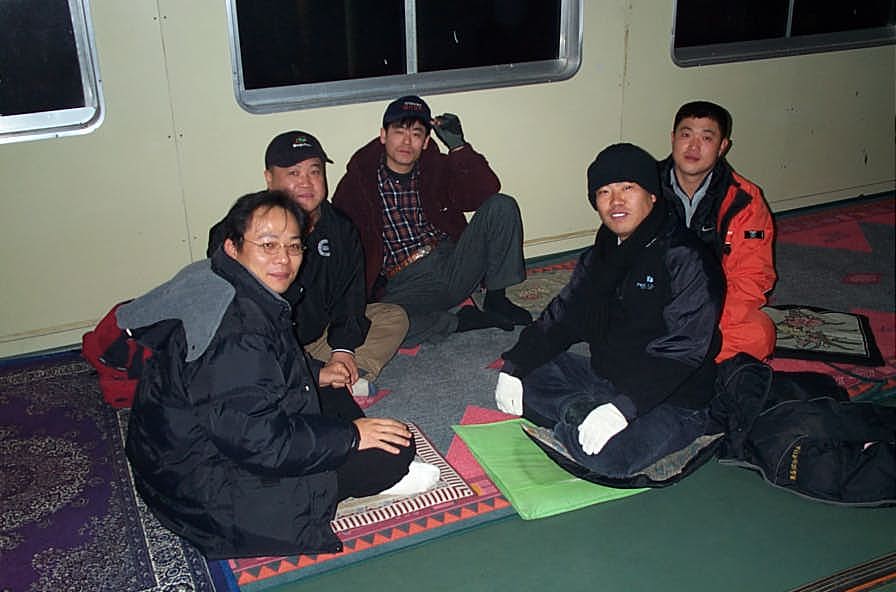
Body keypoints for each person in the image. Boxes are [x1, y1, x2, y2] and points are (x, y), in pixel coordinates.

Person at [125, 190, 438, 559]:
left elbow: (265, 370)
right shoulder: (237, 331)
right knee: (394, 450)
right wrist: (351, 437)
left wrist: (317, 373)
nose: (284, 259)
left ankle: (350, 441)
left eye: (293, 246)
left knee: (332, 390)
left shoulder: (226, 284)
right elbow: (260, 443)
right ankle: (363, 480)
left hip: (174, 463)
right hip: (209, 495)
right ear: (232, 247)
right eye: (268, 245)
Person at [494, 143, 724, 478]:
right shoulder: (600, 255)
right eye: (604, 192)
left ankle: (591, 421)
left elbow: (682, 351)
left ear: (652, 195)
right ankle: (578, 411)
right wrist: (515, 365)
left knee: (608, 458)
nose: (616, 201)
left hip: (674, 397)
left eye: (627, 188)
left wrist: (622, 409)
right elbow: (564, 316)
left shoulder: (687, 258)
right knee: (525, 374)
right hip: (606, 377)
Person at [208, 131, 408, 395]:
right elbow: (231, 313)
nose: (306, 182)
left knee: (392, 317)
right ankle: (316, 380)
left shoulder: (340, 228)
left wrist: (343, 350)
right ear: (269, 178)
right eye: (293, 173)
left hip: (318, 338)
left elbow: (351, 296)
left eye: (315, 171)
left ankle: (337, 374)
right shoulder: (243, 227)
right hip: (265, 342)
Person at [332, 95, 532, 347]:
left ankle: (496, 299)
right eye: (399, 132)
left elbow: (483, 192)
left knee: (501, 205)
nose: (407, 141)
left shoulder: (435, 167)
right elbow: (342, 243)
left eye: (416, 134)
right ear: (383, 135)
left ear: (426, 141)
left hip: (453, 261)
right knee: (370, 327)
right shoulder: (357, 184)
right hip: (407, 283)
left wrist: (458, 147)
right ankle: (459, 321)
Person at [659, 100, 776, 362]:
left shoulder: (744, 200)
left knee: (759, 334)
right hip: (655, 298)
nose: (693, 146)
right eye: (686, 135)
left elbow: (752, 275)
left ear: (723, 146)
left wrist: (706, 318)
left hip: (714, 305)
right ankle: (687, 357)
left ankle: (671, 357)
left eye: (706, 138)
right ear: (673, 138)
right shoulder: (644, 189)